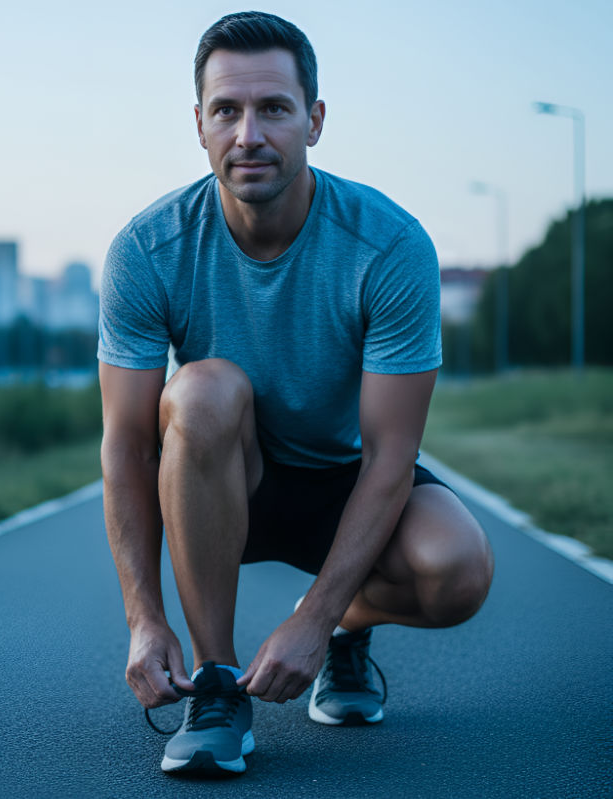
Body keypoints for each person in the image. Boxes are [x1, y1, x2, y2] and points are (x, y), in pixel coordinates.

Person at [97, 10, 495, 775]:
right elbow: (127, 445)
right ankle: (217, 688)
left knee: (460, 570)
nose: (249, 133)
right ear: (200, 125)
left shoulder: (390, 245)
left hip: (350, 476)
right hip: (225, 475)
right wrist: (144, 619)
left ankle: (347, 629)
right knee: (202, 389)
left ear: (313, 120)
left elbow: (389, 454)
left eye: (274, 108)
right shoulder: (147, 250)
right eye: (227, 111)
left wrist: (315, 619)